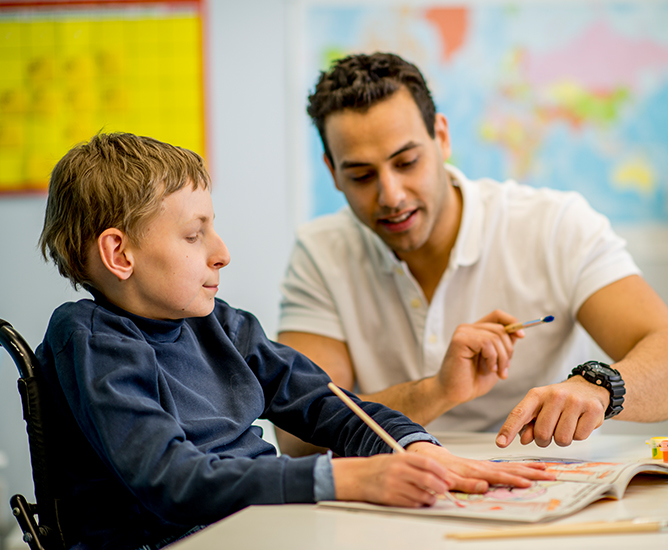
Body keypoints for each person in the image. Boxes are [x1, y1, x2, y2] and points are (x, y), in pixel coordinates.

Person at [35, 132, 552, 550]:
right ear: (119, 254)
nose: (222, 252)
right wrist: (351, 480)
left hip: (257, 527)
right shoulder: (88, 340)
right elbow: (173, 482)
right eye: (194, 236)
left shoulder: (221, 324)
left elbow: (327, 403)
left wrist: (414, 448)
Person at [276, 52, 668, 457]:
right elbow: (297, 433)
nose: (391, 195)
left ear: (441, 137)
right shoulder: (321, 252)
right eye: (362, 175)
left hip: (540, 486)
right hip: (392, 489)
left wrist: (598, 387)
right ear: (333, 172)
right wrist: (438, 390)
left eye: (407, 162)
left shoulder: (555, 225)